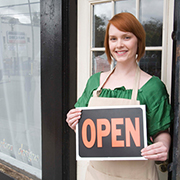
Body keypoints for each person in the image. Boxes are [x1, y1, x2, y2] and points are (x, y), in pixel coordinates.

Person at [66, 12, 173, 180]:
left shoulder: (153, 87)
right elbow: (85, 126)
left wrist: (163, 145)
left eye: (126, 37)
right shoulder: (95, 82)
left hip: (139, 175)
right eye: (113, 39)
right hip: (96, 175)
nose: (119, 45)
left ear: (138, 41)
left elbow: (161, 131)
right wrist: (74, 122)